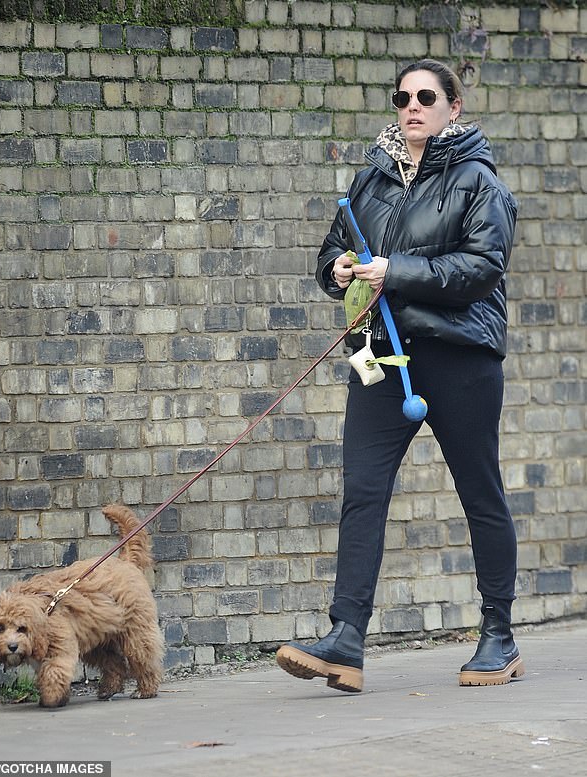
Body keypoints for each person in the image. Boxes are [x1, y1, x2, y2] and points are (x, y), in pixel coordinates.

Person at [276, 59, 523, 692]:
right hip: (382, 357)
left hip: (458, 356)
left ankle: (498, 634)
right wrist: (337, 270)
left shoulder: (478, 182)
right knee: (362, 491)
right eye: (402, 97)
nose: (412, 106)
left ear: (453, 108)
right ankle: (346, 637)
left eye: (426, 97)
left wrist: (398, 272)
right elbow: (336, 248)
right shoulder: (372, 178)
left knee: (480, 492)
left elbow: (481, 269)